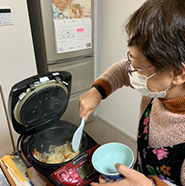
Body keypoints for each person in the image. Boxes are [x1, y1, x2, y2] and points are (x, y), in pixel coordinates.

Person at [78, 0, 185, 186]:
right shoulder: (162, 88)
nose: (132, 72)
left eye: (139, 67)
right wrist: (97, 91)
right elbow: (122, 70)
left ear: (177, 73)